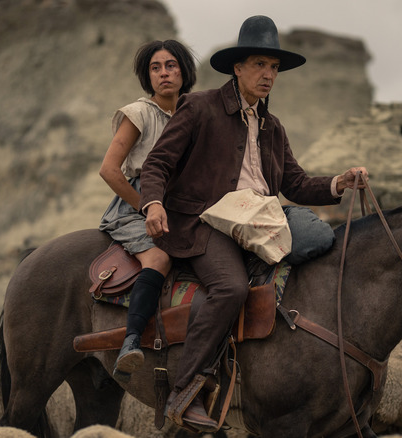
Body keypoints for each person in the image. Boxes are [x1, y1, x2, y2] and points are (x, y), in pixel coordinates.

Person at [138, 16, 368, 431]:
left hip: (260, 221)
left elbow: (295, 183)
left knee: (321, 242)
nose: (268, 75)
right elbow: (157, 163)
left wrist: (339, 182)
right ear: (237, 68)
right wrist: (153, 203)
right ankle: (184, 390)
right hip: (206, 223)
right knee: (231, 287)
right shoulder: (199, 106)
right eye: (260, 64)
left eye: (274, 68)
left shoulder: (273, 127)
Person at [98, 40, 197, 385]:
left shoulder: (195, 111)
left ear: (184, 71)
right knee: (158, 258)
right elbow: (109, 169)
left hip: (184, 206)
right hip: (136, 205)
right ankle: (131, 340)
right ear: (148, 76)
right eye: (156, 68)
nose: (164, 73)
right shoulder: (138, 113)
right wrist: (146, 206)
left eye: (171, 66)